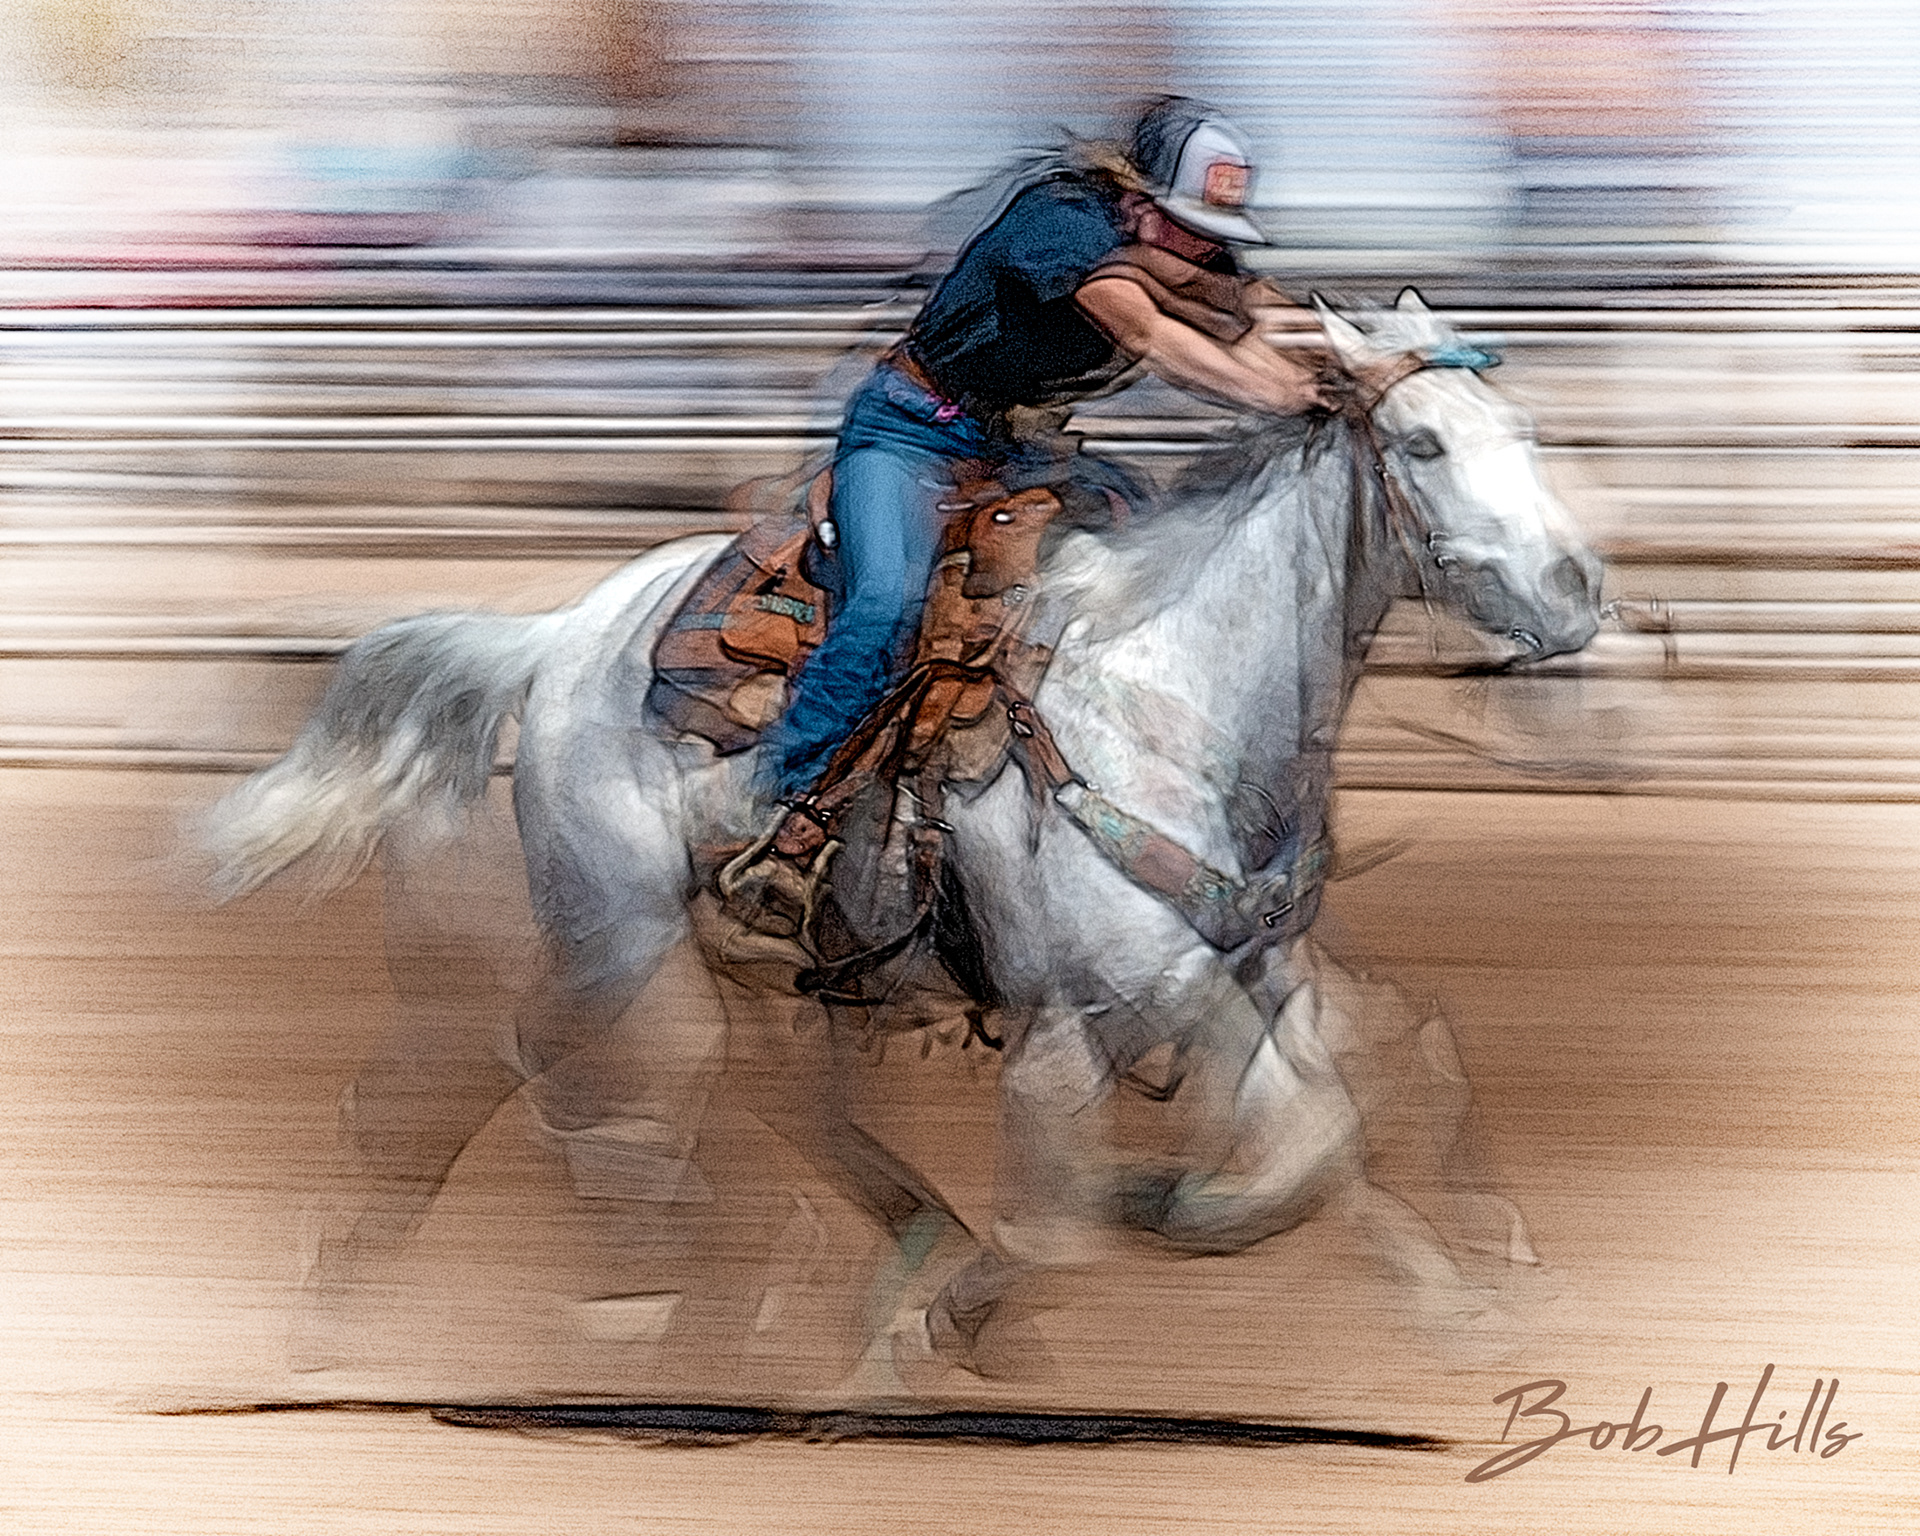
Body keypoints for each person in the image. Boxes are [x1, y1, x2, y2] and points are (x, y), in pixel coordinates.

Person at [725, 96, 1332, 932]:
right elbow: (1150, 336)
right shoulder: (1060, 222)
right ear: (1134, 199)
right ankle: (789, 808)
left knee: (1149, 561)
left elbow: (1257, 314)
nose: (1203, 244)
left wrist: (1362, 366)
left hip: (1020, 450)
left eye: (1211, 232)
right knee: (889, 600)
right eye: (1188, 225)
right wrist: (1282, 394)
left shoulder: (1180, 247)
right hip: (909, 434)